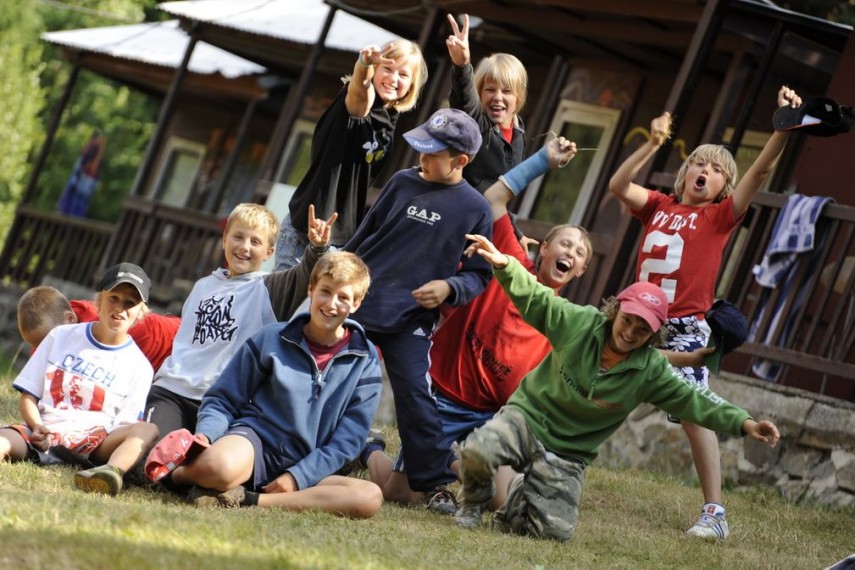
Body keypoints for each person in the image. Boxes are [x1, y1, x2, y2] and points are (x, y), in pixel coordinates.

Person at [454, 233, 781, 541]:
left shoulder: (650, 371)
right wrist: (504, 264)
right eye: (628, 320)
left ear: (653, 335)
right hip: (526, 419)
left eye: (642, 329)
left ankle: (516, 499)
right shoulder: (580, 323)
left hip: (569, 453)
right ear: (615, 311)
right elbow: (536, 298)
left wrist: (746, 423)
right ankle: (472, 504)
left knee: (554, 533)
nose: (630, 332)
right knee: (477, 450)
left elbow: (696, 401)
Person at [607, 85, 802, 540]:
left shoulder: (719, 217)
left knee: (693, 411)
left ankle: (715, 513)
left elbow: (760, 170)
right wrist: (652, 144)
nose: (705, 171)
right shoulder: (658, 205)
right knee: (596, 380)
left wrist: (782, 129)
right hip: (637, 317)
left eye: (717, 170)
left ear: (723, 188)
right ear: (684, 172)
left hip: (685, 327)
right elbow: (618, 185)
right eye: (699, 163)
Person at [356, 136, 591, 508]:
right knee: (400, 494)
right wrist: (543, 161)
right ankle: (370, 449)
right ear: (544, 248)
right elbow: (493, 200)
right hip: (446, 396)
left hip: (494, 416)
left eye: (579, 253)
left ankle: (460, 467)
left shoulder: (565, 319)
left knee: (499, 500)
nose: (570, 253)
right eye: (564, 244)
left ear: (580, 271)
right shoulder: (509, 261)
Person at [344, 107, 493, 514]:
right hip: (361, 302)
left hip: (411, 317)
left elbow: (479, 276)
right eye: (421, 149)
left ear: (460, 161)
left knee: (415, 395)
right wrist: (336, 270)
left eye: (432, 153)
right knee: (331, 379)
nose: (421, 158)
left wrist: (449, 287)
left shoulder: (476, 209)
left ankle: (435, 484)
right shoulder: (401, 182)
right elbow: (364, 236)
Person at [163, 252, 383, 518]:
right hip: (254, 443)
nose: (332, 304)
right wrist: (206, 435)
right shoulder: (272, 337)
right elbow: (223, 398)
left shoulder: (365, 360)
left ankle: (246, 498)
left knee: (369, 497)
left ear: (356, 304)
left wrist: (298, 476)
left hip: (309, 462)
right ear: (311, 289)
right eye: (325, 291)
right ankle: (176, 476)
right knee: (217, 466)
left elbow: (348, 440)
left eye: (343, 297)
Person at [146, 203, 336, 447]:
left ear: (269, 252)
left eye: (255, 242)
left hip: (224, 403)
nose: (245, 247)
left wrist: (317, 249)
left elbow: (305, 274)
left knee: (203, 461)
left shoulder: (269, 289)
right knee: (149, 452)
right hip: (171, 392)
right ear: (224, 239)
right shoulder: (202, 286)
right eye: (238, 237)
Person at [0, 263, 160, 496]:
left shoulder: (140, 366)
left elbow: (125, 425)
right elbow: (28, 395)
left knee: (147, 429)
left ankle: (109, 473)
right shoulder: (60, 336)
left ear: (141, 312)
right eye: (114, 298)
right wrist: (36, 426)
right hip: (43, 434)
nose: (120, 308)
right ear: (99, 301)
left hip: (95, 443)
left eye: (130, 303)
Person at [274, 39, 428, 271]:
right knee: (284, 297)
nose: (394, 78)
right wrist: (363, 65)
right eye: (387, 68)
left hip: (340, 241)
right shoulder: (360, 101)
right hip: (308, 231)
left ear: (412, 84)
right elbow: (360, 93)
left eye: (403, 74)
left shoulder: (389, 119)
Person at [446, 14, 527, 193]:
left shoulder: (519, 132)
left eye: (507, 91)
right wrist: (462, 65)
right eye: (490, 89)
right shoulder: (474, 124)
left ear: (518, 96)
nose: (498, 97)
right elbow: (464, 99)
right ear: (479, 93)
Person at [17, 285, 180, 372]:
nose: (48, 347)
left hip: (175, 346)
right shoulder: (52, 329)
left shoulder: (102, 325)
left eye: (50, 342)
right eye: (38, 346)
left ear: (71, 318)